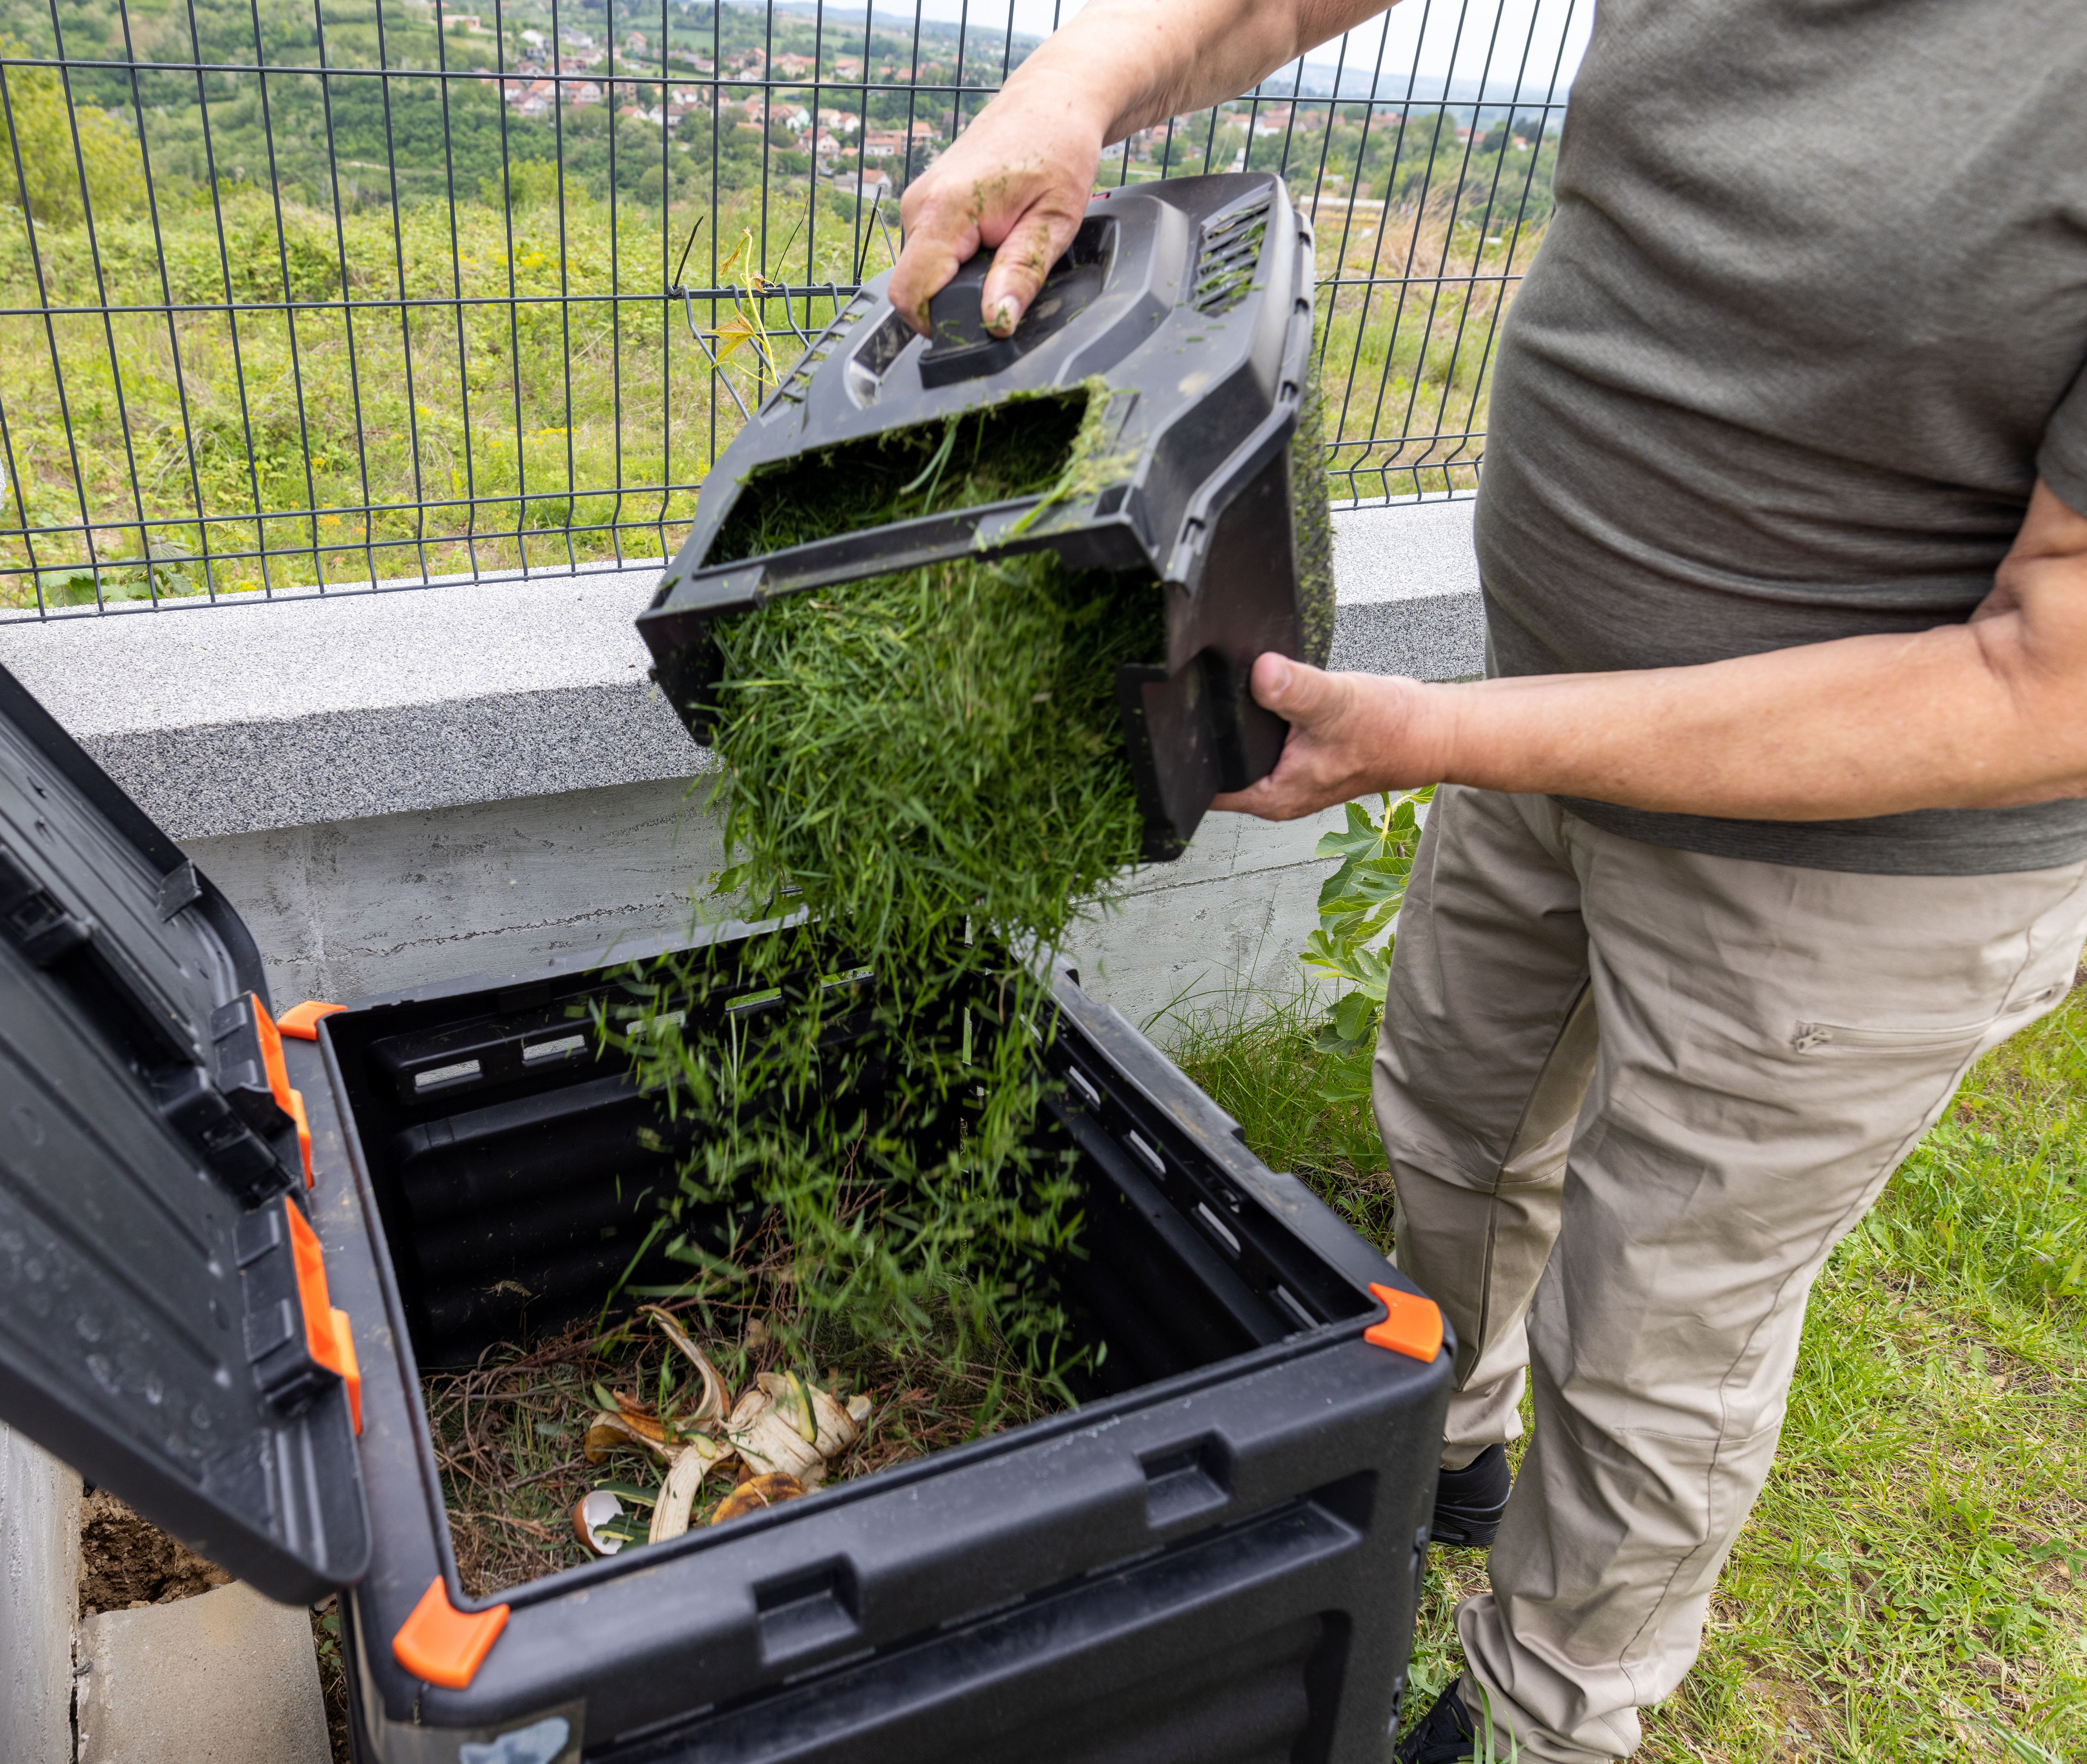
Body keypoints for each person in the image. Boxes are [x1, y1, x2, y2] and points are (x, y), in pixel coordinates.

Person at [890, 0, 2087, 1758]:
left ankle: (1548, 1708)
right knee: (1457, 1112)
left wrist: (1454, 734)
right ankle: (1444, 1435)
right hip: (1528, 725)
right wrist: (1077, 83)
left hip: (1854, 878)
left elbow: (2044, 683)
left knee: (1660, 1327)